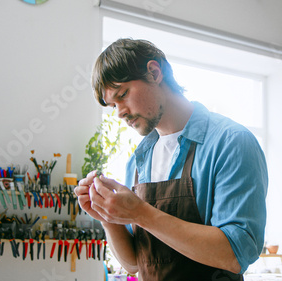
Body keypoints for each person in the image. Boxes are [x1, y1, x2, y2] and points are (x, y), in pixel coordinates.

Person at [74, 38, 268, 280]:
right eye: (113, 105)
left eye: (122, 94)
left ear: (154, 73)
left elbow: (236, 253)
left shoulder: (231, 142)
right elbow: (135, 263)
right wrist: (107, 215)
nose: (120, 112)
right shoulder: (139, 160)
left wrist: (141, 213)